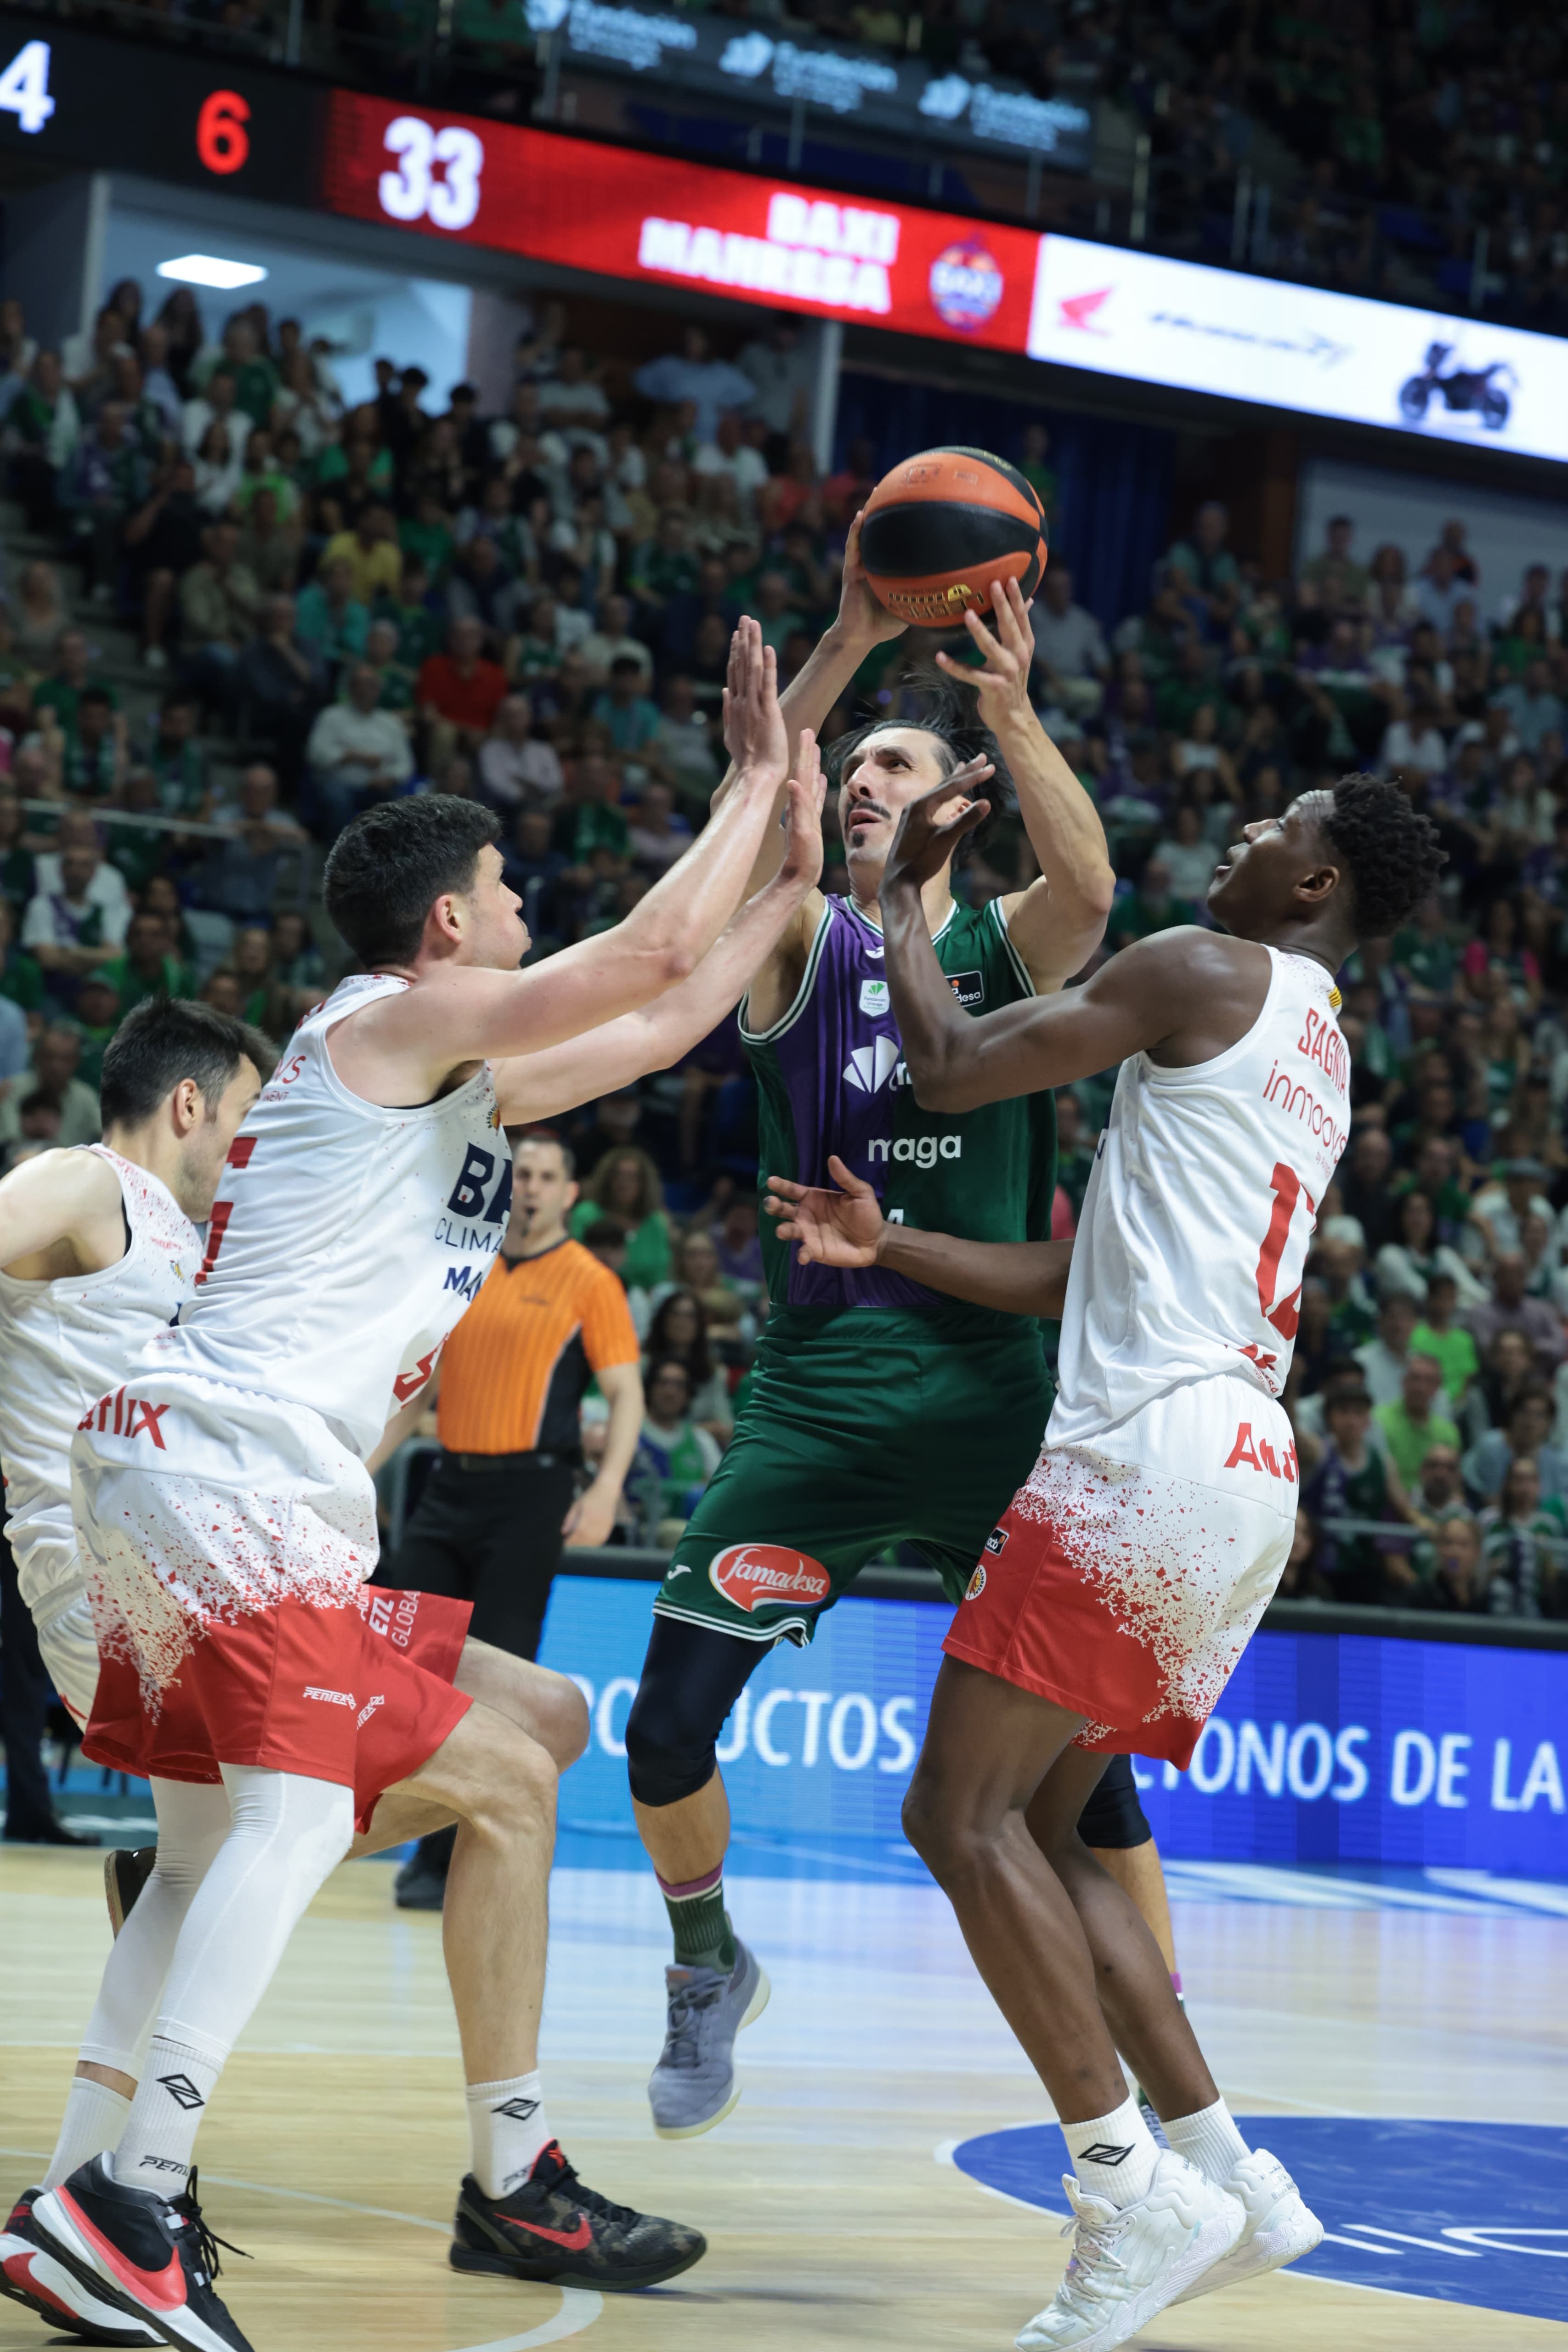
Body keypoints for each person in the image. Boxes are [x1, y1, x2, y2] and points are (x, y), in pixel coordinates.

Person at [25, 625, 807, 2343]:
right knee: (305, 1820)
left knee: (500, 1745)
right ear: (448, 921)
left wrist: (794, 839)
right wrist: (750, 782)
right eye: (509, 884)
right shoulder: (395, 1017)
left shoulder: (446, 1077)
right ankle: (134, 2202)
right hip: (224, 1482)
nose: (526, 904)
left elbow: (676, 1009)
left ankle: (89, 2183)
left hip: (201, 1488)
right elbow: (654, 943)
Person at [828, 765, 1441, 2342]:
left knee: (952, 1818)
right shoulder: (1318, 1043)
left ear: (1315, 884)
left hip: (1144, 1462)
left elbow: (951, 1070)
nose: (1249, 833)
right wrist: (886, 1241)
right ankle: (1231, 2170)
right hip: (1241, 1466)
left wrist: (909, 890)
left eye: (1281, 825)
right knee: (1050, 1823)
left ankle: (1123, 2194)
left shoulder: (1197, 964)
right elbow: (1081, 1267)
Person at [622, 543, 1188, 2160]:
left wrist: (1011, 715)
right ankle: (707, 1963)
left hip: (999, 1409)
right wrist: (849, 649)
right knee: (664, 1731)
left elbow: (1089, 894)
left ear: (951, 804)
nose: (860, 777)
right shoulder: (802, 940)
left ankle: (1168, 2036)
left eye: (891, 759)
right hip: (822, 1402)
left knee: (1082, 1784)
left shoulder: (1002, 953)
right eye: (850, 764)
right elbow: (748, 829)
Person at [0, 1000, 270, 2341]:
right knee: (342, 1793)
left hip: (159, 1571)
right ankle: (118, 2194)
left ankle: (70, 2205)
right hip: (108, 1587)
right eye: (245, 1111)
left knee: (203, 1862)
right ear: (189, 1104)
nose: (251, 1137)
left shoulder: (194, 1243)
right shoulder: (83, 1182)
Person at [379, 1128, 645, 1910]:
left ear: (568, 1193)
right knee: (411, 1673)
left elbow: (625, 1395)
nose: (528, 1185)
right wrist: (355, 1467)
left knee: (491, 1688)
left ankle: (446, 1856)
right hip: (445, 1485)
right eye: (519, 1171)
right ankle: (406, 1835)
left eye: (545, 1175)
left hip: (530, 1498)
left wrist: (604, 1491)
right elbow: (417, 1394)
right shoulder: (461, 1269)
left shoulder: (589, 1280)